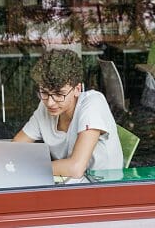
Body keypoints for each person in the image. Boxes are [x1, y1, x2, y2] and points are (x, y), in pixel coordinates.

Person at [14, 49, 123, 178]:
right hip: (68, 183)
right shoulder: (45, 107)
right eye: (44, 92)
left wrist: (28, 168)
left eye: (59, 94)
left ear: (77, 89)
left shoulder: (93, 104)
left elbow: (75, 168)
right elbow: (17, 146)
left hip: (102, 186)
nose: (50, 102)